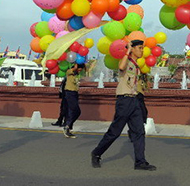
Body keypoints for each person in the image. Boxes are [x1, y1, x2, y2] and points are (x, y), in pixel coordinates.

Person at [91, 40, 156, 171]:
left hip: (134, 100)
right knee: (115, 132)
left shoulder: (136, 65)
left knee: (139, 132)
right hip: (124, 101)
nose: (142, 50)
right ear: (132, 49)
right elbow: (121, 67)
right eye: (139, 48)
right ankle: (97, 153)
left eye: (142, 48)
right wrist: (127, 51)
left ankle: (140, 162)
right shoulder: (125, 61)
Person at [63, 63, 84, 138]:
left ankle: (69, 126)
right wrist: (76, 63)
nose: (79, 71)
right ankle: (67, 127)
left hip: (75, 93)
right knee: (73, 110)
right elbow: (73, 69)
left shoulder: (76, 75)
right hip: (69, 93)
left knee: (77, 112)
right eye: (79, 70)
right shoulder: (69, 73)